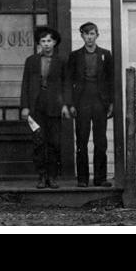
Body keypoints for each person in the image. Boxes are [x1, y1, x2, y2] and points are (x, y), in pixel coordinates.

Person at [20, 25, 71, 189]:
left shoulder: (61, 61)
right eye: (43, 41)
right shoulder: (31, 61)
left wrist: (65, 105)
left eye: (49, 40)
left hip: (55, 106)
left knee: (54, 143)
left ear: (55, 42)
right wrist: (25, 106)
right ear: (39, 43)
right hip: (36, 106)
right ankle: (41, 176)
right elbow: (25, 85)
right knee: (39, 141)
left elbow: (66, 85)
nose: (46, 44)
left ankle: (52, 177)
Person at [68, 22, 114, 187]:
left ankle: (100, 178)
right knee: (81, 140)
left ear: (97, 35)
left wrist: (111, 103)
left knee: (100, 141)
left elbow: (111, 81)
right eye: (86, 34)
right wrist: (71, 104)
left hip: (100, 101)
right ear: (81, 36)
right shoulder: (75, 56)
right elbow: (68, 81)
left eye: (92, 33)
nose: (89, 37)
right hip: (82, 101)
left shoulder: (105, 55)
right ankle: (82, 179)